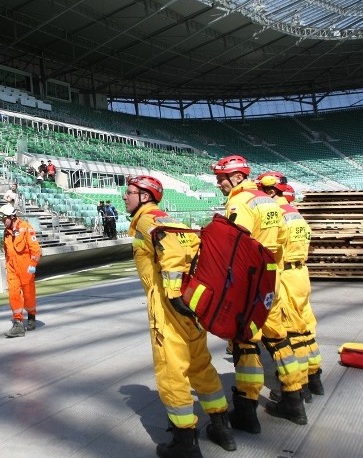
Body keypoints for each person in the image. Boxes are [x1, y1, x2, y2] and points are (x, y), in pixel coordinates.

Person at [123, 175, 236, 457]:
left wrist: (172, 296)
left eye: (129, 193)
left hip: (168, 305)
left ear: (145, 197)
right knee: (200, 365)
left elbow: (171, 255)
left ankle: (185, 443)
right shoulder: (173, 221)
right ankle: (222, 427)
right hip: (190, 304)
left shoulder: (149, 221)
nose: (124, 197)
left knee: (172, 372)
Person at [212, 155, 306, 432]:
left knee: (246, 343)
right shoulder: (269, 201)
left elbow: (234, 244)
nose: (218, 184)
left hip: (250, 284)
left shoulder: (240, 201)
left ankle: (246, 410)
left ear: (238, 177)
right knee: (278, 338)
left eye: (221, 178)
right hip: (271, 278)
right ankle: (294, 399)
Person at [255, 173, 324, 401]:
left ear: (272, 192)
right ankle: (315, 378)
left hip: (285, 274)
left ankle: (299, 386)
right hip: (301, 273)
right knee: (305, 326)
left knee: (292, 331)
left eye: (262, 192)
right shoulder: (296, 215)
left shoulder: (278, 216)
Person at [0, 204, 41, 338]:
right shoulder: (6, 232)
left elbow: (35, 249)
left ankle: (31, 316)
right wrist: (7, 266)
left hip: (26, 268)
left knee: (28, 294)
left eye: (4, 219)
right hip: (12, 269)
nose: (2, 222)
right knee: (13, 294)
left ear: (12, 217)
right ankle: (17, 323)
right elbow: (7, 252)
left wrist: (32, 266)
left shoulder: (26, 228)